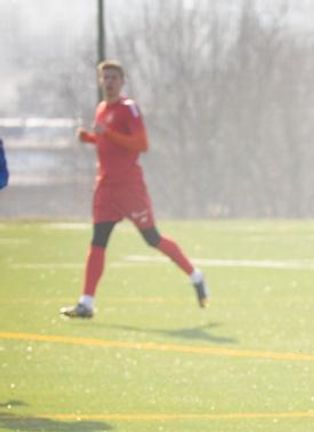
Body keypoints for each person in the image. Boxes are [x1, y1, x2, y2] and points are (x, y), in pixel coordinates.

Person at [60, 60, 207, 319]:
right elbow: (108, 142)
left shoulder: (129, 109)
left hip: (130, 188)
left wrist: (108, 134)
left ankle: (195, 275)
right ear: (99, 81)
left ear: (122, 81)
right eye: (105, 77)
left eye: (114, 77)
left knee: (152, 239)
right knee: (98, 241)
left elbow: (141, 144)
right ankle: (86, 303)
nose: (109, 82)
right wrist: (90, 138)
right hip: (106, 188)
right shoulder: (101, 109)